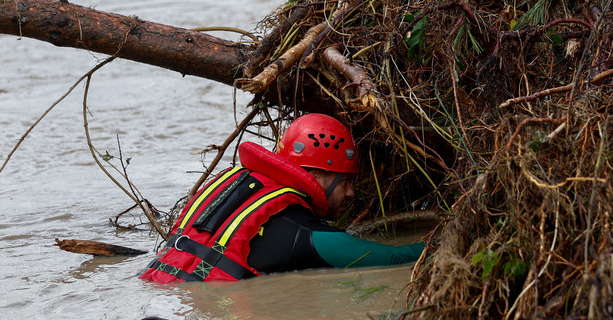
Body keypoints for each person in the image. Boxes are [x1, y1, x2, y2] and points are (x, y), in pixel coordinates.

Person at [139, 114, 425, 284]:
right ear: (318, 174)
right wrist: (431, 245)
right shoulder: (302, 230)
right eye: (345, 181)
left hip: (155, 284)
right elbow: (394, 258)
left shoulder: (237, 182)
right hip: (196, 299)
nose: (350, 193)